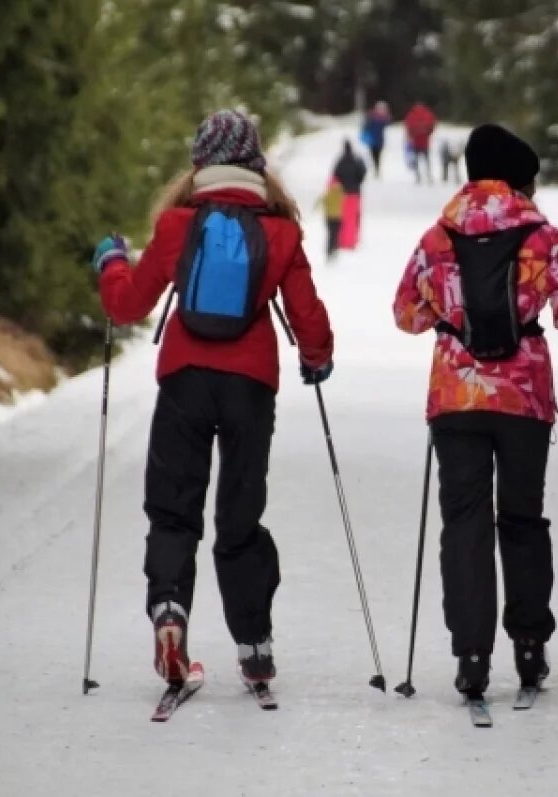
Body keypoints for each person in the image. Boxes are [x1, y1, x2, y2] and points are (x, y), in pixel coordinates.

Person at [91, 109, 335, 692]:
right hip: (251, 386)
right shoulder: (279, 230)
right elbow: (307, 315)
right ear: (254, 160)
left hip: (184, 379)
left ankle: (170, 611)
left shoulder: (179, 224)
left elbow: (127, 305)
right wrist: (316, 358)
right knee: (239, 516)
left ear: (200, 160)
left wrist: (111, 264)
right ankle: (254, 643)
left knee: (174, 509)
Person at [391, 123, 558, 701]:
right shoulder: (541, 234)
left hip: (456, 397)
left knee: (464, 521)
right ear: (520, 179)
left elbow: (405, 314)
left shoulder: (439, 236)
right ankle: (530, 646)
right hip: (523, 397)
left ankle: (472, 654)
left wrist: (447, 316)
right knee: (522, 518)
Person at [331, 140, 367, 250]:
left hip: (343, 194)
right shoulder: (357, 161)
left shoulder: (340, 161)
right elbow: (362, 173)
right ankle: (352, 241)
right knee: (353, 218)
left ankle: (343, 241)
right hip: (355, 193)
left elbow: (335, 175)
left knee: (344, 218)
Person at [403, 102, 437, 184]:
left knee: (416, 160)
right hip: (425, 142)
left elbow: (408, 126)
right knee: (427, 160)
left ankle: (418, 176)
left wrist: (410, 136)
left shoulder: (411, 115)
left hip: (415, 142)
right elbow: (432, 125)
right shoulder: (428, 114)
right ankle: (429, 176)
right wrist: (428, 133)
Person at [360, 101, 392, 177]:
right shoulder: (376, 117)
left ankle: (376, 169)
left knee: (376, 155)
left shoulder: (375, 117)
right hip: (375, 139)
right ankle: (376, 169)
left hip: (376, 140)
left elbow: (366, 126)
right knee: (375, 155)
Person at [316, 177, 344, 260]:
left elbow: (320, 202)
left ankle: (329, 250)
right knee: (335, 234)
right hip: (338, 217)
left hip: (329, 217)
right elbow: (344, 203)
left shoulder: (328, 193)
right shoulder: (341, 194)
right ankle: (334, 249)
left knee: (330, 234)